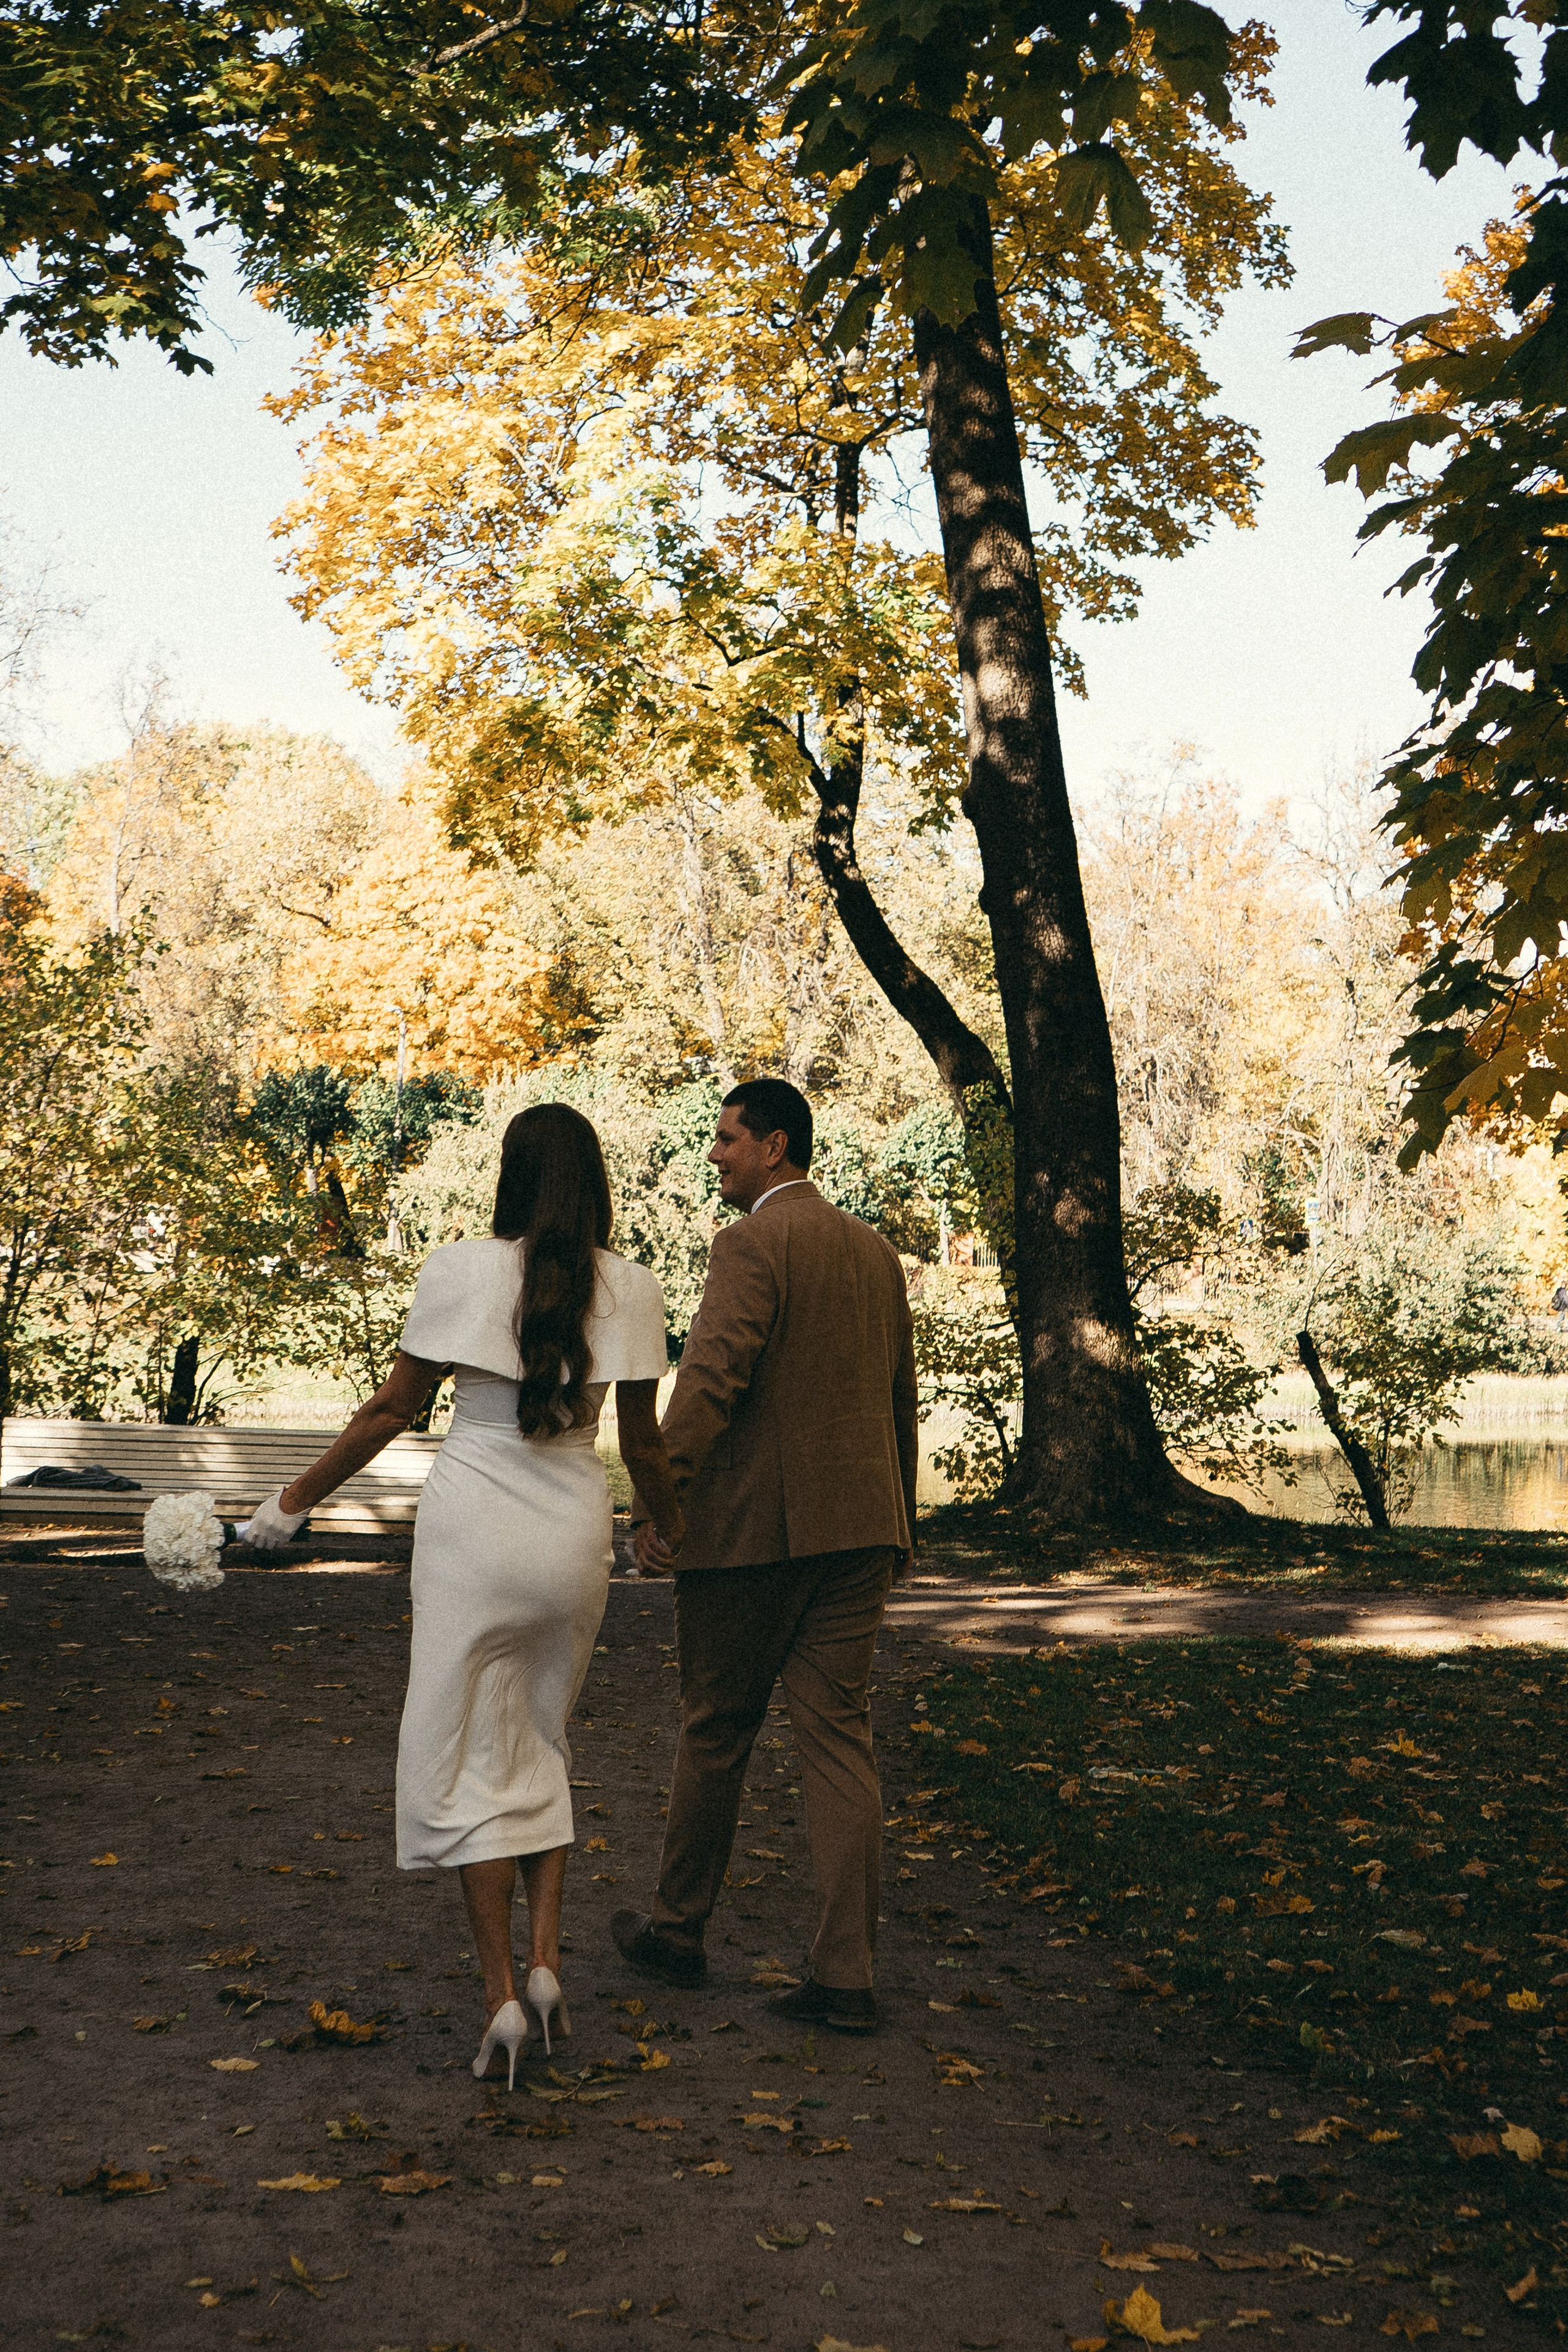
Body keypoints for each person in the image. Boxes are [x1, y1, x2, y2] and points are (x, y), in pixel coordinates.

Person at [241, 1103, 681, 2087]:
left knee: (478, 1758)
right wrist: (668, 1531)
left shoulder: (458, 1269)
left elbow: (395, 1408)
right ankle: (550, 1965)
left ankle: (500, 2000)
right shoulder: (637, 1287)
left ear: (513, 1177)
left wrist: (291, 1503)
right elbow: (645, 1446)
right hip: (572, 1530)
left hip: (473, 1531)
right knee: (543, 1742)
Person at [612, 1077, 917, 2035]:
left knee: (715, 1728)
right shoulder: (875, 1253)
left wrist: (659, 1498)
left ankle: (678, 1932)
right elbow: (899, 1397)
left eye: (728, 1141)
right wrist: (898, 1517)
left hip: (754, 1539)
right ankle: (845, 1974)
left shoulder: (750, 1244)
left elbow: (711, 1375)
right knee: (839, 1740)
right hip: (863, 1530)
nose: (716, 1156)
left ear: (775, 1146)